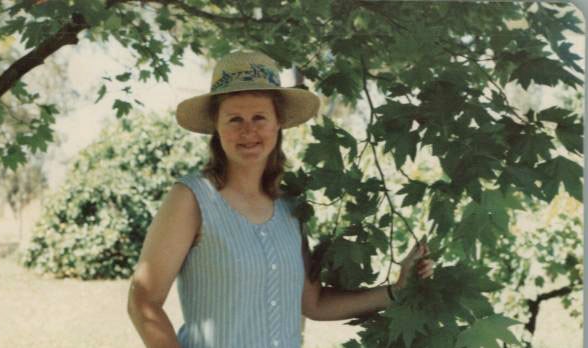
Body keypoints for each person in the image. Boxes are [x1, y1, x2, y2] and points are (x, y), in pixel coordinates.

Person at [127, 51, 434, 348]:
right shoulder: (192, 198)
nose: (248, 130)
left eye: (259, 117)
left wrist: (397, 289)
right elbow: (143, 302)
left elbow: (312, 304)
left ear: (278, 124)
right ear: (216, 128)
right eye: (235, 119)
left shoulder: (291, 206)